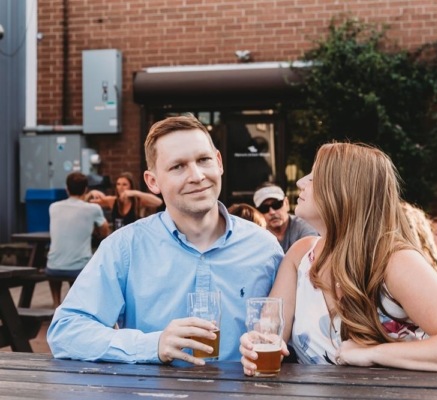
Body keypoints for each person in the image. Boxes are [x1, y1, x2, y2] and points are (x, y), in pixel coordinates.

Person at [47, 114, 283, 365]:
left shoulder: (265, 248)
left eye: (203, 160)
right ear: (152, 181)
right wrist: (153, 344)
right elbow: (66, 330)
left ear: (219, 162)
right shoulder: (126, 246)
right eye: (178, 166)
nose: (197, 175)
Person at [240, 142, 437, 373]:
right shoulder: (300, 254)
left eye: (314, 176)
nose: (300, 183)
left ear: (344, 191)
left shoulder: (393, 261)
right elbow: (269, 337)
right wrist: (252, 346)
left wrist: (373, 353)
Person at [46, 172, 110, 307]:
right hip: (79, 268)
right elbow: (105, 231)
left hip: (53, 267)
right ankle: (75, 304)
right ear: (85, 189)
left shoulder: (54, 207)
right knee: (85, 262)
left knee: (59, 262)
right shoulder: (93, 209)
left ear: (67, 189)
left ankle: (56, 304)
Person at [253, 183, 318, 252]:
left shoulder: (304, 226)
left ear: (286, 203)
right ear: (257, 212)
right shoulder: (256, 235)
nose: (272, 212)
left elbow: (310, 256)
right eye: (264, 208)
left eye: (276, 205)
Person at [87, 171, 163, 229]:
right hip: (119, 241)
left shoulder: (138, 202)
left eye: (124, 184)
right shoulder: (113, 200)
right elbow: (86, 202)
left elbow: (158, 202)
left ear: (131, 186)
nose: (120, 187)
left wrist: (135, 193)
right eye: (118, 184)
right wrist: (91, 193)